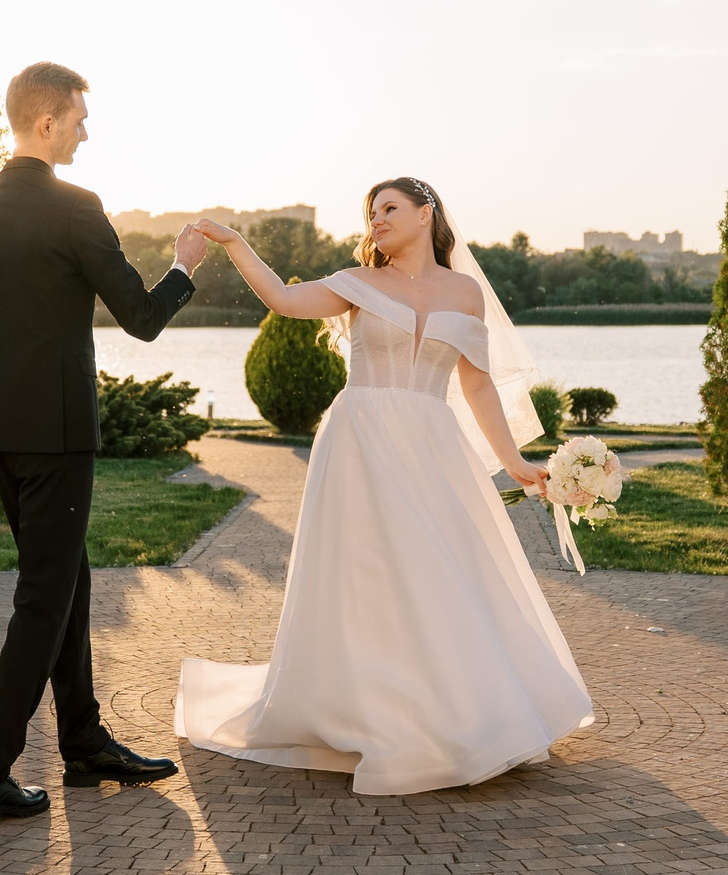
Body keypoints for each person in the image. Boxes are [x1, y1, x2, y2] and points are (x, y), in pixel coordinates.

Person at [174, 178, 595, 794]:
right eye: (371, 213)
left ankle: (453, 712)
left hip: (432, 443)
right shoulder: (358, 284)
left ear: (427, 214)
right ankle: (371, 713)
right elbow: (282, 300)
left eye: (389, 209)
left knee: (440, 570)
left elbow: (477, 387)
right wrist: (236, 243)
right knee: (368, 572)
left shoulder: (466, 294)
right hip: (360, 440)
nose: (376, 221)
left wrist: (514, 460)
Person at [0, 61, 210, 822]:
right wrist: (183, 265)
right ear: (47, 122)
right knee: (45, 596)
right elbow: (143, 316)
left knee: (69, 581)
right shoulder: (76, 207)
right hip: (55, 437)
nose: (87, 129)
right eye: (80, 117)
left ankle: (85, 744)